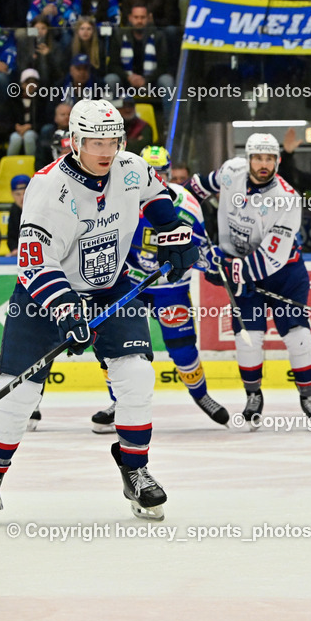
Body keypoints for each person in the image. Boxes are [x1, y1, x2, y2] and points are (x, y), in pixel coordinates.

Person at [0, 98, 199, 523]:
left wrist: (174, 231)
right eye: (94, 141)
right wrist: (67, 312)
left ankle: (135, 470)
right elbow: (35, 262)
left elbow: (155, 195)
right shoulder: (48, 188)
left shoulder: (131, 166)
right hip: (45, 295)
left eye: (112, 140)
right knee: (20, 390)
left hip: (111, 287)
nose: (105, 150)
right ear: (74, 141)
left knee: (136, 375)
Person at [188, 133, 311, 429]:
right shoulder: (230, 172)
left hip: (284, 275)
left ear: (277, 161)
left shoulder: (287, 199)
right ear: (248, 158)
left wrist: (227, 270)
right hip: (241, 268)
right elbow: (195, 189)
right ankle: (253, 395)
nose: (264, 164)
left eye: (270, 159)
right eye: (258, 158)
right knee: (247, 338)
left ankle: (308, 396)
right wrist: (182, 220)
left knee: (297, 336)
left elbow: (270, 258)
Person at [90, 145, 229, 432]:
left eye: (163, 172)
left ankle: (201, 396)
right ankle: (119, 402)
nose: (158, 178)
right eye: (152, 172)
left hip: (171, 287)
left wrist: (211, 264)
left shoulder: (188, 204)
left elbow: (199, 249)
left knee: (181, 346)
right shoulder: (117, 199)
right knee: (116, 347)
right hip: (131, 286)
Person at [5, 174, 28, 255]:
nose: (22, 198)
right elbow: (11, 237)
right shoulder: (14, 210)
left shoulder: (42, 209)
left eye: (25, 193)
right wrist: (15, 249)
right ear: (12, 194)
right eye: (18, 194)